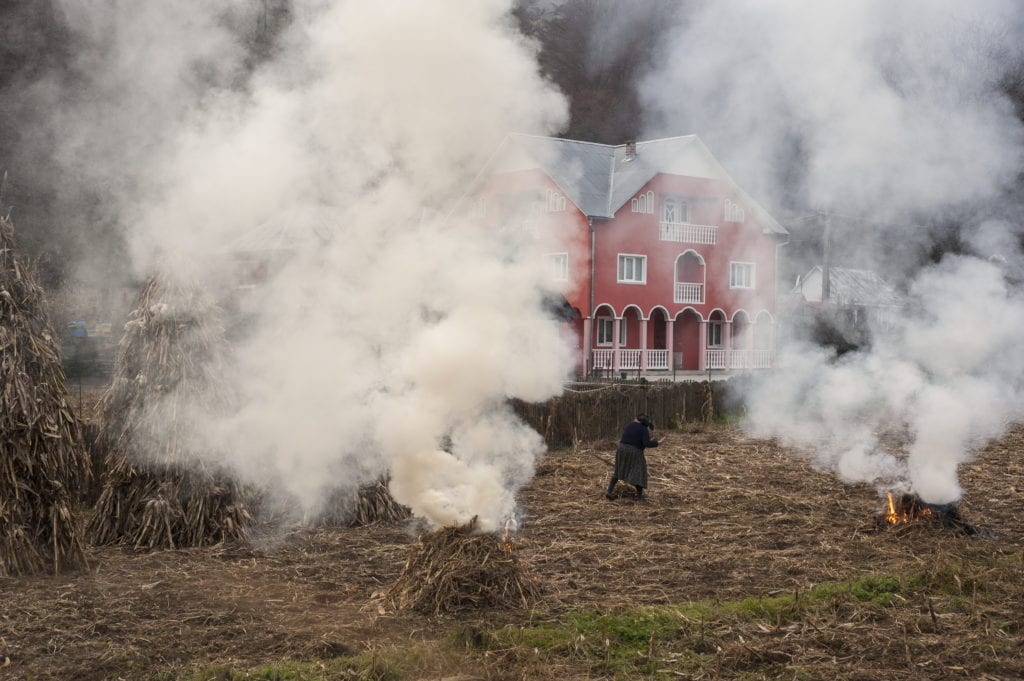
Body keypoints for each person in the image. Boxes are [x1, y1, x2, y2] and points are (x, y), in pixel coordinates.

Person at [606, 414, 659, 502]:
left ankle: (609, 491)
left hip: (621, 448)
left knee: (618, 470)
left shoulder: (629, 425)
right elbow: (646, 443)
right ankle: (639, 497)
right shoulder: (643, 429)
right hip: (634, 451)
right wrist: (657, 443)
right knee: (639, 471)